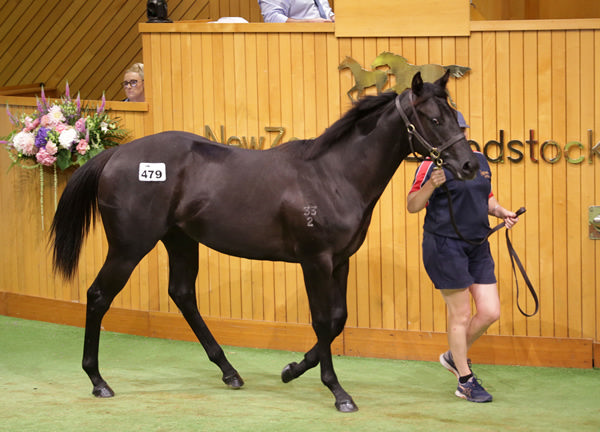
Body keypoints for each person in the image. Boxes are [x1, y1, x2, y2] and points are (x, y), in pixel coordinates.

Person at [406, 111, 519, 403]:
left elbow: (487, 198)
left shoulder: (479, 159)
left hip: (477, 245)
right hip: (444, 246)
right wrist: (432, 184)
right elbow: (412, 205)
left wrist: (501, 211)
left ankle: (452, 356)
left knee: (491, 312)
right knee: (461, 314)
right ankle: (465, 380)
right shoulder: (431, 164)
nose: (459, 136)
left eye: (462, 130)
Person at [258, 0, 335, 23]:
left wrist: (332, 17)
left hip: (328, 40)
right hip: (296, 44)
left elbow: (322, 10)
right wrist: (308, 23)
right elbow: (272, 18)